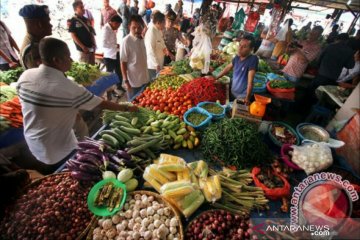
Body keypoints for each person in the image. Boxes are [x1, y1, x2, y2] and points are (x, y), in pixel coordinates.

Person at [17, 38, 137, 175]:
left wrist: (68, 111)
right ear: (57, 60)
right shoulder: (67, 87)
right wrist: (127, 108)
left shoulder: (25, 76)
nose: (72, 60)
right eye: (68, 57)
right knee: (67, 175)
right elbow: (101, 104)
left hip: (33, 144)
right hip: (58, 151)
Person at [216, 35, 259, 105]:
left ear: (251, 49)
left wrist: (247, 98)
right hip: (233, 91)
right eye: (240, 45)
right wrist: (216, 78)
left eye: (244, 46)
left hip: (242, 96)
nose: (240, 48)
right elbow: (227, 68)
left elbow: (250, 81)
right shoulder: (237, 57)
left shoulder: (253, 59)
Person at [120, 15, 149, 100]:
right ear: (129, 27)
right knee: (133, 106)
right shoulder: (126, 41)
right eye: (134, 28)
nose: (137, 30)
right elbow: (123, 62)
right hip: (133, 83)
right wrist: (126, 81)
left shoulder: (141, 39)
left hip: (145, 79)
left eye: (139, 27)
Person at [18, 4, 52, 69]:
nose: (51, 25)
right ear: (39, 24)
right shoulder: (32, 51)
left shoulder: (38, 41)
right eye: (48, 21)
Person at [102, 14, 125, 93]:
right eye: (118, 25)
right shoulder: (106, 29)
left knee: (119, 71)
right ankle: (109, 90)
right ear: (114, 23)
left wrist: (116, 45)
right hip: (109, 56)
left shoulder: (111, 29)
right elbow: (104, 44)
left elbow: (111, 41)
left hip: (115, 53)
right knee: (109, 74)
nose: (118, 27)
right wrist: (115, 45)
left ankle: (119, 86)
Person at [144, 11, 168, 81]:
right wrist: (156, 64)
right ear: (158, 22)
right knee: (153, 83)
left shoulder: (159, 30)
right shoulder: (151, 32)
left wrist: (166, 50)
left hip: (159, 63)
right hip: (153, 66)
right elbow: (150, 50)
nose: (165, 25)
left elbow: (162, 43)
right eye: (164, 23)